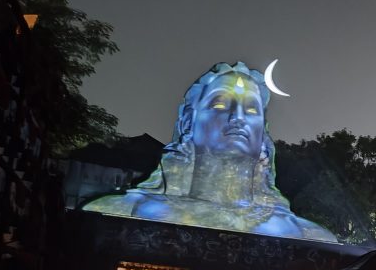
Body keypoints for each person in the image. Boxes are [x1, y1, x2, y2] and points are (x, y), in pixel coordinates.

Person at [84, 61, 337, 242]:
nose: (237, 117)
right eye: (220, 103)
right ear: (187, 123)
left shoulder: (309, 235)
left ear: (263, 134)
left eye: (251, 110)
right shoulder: (115, 212)